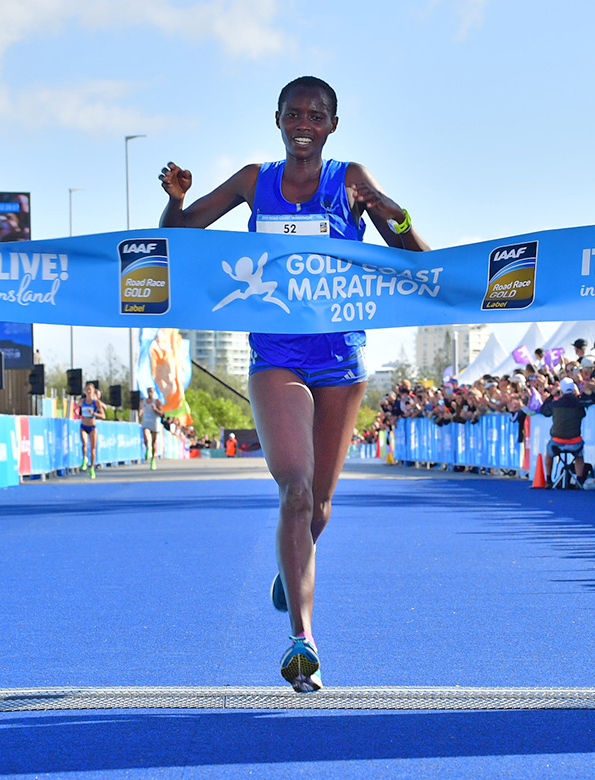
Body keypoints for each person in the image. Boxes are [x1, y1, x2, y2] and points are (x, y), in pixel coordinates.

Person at [158, 76, 429, 692]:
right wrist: (177, 200)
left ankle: (293, 564)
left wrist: (393, 213)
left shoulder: (350, 179)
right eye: (293, 113)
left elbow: (414, 254)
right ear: (277, 120)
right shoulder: (255, 181)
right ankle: (302, 640)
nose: (303, 122)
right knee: (296, 490)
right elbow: (177, 237)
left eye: (316, 114)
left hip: (341, 359)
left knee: (322, 507)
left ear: (331, 126)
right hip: (276, 356)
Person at [539, 377, 590, 488]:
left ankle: (548, 479)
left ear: (561, 390)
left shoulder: (555, 404)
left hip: (557, 442)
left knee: (549, 453)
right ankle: (579, 480)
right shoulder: (578, 404)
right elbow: (583, 413)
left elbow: (543, 411)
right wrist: (578, 395)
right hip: (575, 443)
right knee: (579, 456)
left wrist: (551, 396)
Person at [77, 382, 105, 478]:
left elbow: (103, 415)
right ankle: (84, 459)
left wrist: (94, 413)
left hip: (92, 427)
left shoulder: (96, 403)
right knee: (84, 443)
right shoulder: (82, 401)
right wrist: (77, 413)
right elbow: (76, 409)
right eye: (87, 389)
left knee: (92, 449)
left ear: (93, 391)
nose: (88, 391)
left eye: (90, 389)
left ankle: (92, 468)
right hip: (83, 426)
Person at [140, 387, 163, 471]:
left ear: (153, 393)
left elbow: (161, 413)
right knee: (146, 438)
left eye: (151, 392)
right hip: (146, 421)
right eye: (149, 391)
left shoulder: (157, 401)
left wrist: (155, 409)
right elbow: (140, 409)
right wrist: (139, 414)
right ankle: (147, 448)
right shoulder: (143, 401)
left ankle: (153, 460)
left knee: (154, 442)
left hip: (154, 422)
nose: (150, 393)